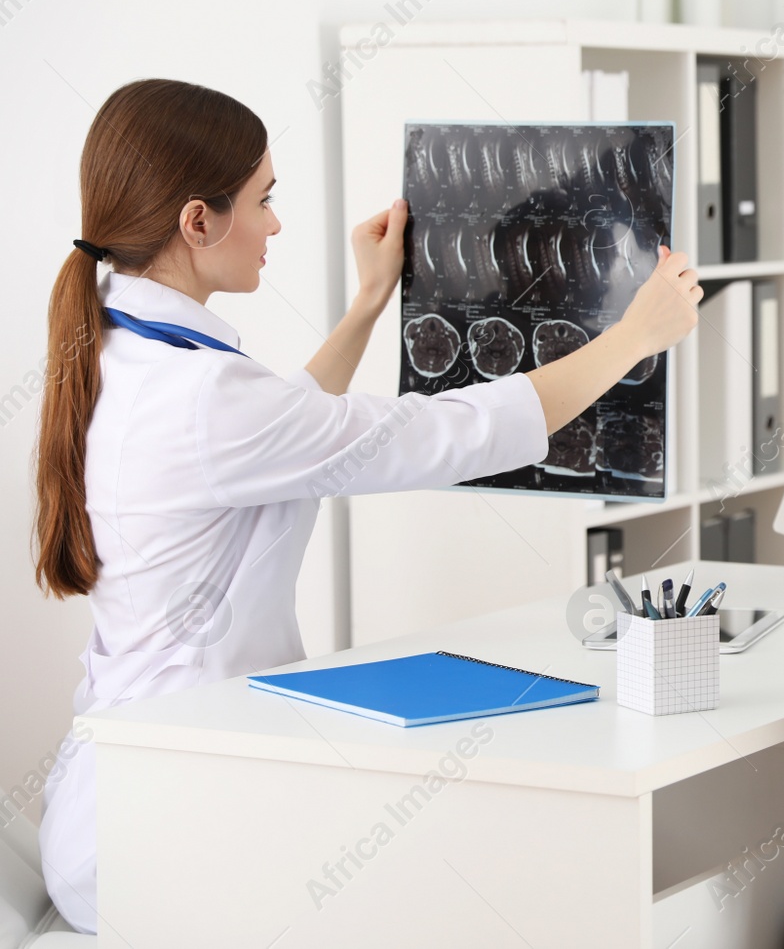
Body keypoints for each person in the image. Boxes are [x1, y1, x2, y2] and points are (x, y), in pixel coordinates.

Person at [31, 78, 701, 934]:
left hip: (136, 796)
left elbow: (294, 435)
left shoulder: (133, 352)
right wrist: (633, 337)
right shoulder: (200, 397)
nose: (276, 223)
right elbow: (438, 433)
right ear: (197, 221)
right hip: (160, 828)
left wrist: (370, 301)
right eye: (264, 200)